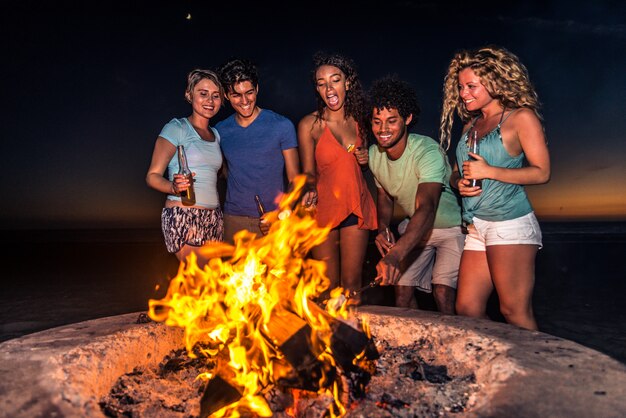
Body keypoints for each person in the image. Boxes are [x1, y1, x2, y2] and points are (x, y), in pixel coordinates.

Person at [439, 45, 550, 330]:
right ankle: (501, 359)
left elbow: (542, 172)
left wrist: (490, 172)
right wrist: (459, 183)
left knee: (513, 311)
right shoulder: (470, 127)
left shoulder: (520, 118)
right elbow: (455, 172)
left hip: (509, 223)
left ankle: (539, 368)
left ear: (495, 82)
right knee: (467, 308)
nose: (464, 94)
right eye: (461, 87)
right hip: (476, 227)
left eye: (472, 86)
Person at [368, 75, 463, 314]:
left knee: (442, 292)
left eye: (392, 121)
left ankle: (449, 346)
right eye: (377, 121)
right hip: (416, 231)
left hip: (451, 229)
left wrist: (395, 255)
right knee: (402, 293)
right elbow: (385, 196)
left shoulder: (427, 151)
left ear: (408, 119)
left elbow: (426, 208)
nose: (383, 130)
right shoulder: (373, 155)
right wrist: (382, 228)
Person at [297, 52, 377, 299]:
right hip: (324, 209)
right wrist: (309, 188)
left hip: (355, 205)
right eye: (322, 83)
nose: (329, 88)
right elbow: (308, 172)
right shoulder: (309, 125)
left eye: (335, 80)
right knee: (326, 288)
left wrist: (364, 161)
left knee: (352, 286)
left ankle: (354, 337)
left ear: (348, 83)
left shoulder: (361, 122)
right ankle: (327, 337)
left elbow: (359, 164)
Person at [215, 58, 300, 243]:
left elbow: (295, 179)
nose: (245, 101)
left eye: (249, 92)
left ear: (257, 89)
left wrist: (282, 215)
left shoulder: (282, 125)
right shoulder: (220, 131)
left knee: (280, 273)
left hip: (275, 220)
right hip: (234, 221)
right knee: (232, 273)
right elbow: (223, 171)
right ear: (226, 95)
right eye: (236, 95)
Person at [146, 69, 225, 266]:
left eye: (216, 96)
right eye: (203, 93)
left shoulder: (216, 134)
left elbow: (217, 173)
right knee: (198, 283)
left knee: (212, 285)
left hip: (214, 217)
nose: (210, 100)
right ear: (189, 95)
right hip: (185, 215)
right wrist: (173, 187)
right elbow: (153, 176)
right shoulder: (177, 128)